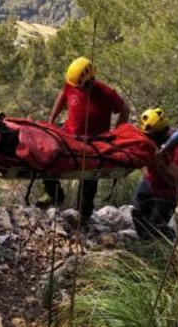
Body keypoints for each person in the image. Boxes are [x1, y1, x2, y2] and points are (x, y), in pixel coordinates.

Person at [39, 57, 129, 226]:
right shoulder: (72, 85)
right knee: (46, 155)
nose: (77, 89)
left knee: (89, 175)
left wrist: (116, 133)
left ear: (90, 81)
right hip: (69, 134)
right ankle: (55, 194)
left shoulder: (105, 93)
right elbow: (62, 95)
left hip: (94, 141)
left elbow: (124, 109)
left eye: (81, 86)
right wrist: (52, 119)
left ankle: (84, 213)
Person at [131, 108, 178, 240]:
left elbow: (174, 180)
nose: (147, 138)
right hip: (150, 181)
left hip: (168, 191)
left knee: (156, 226)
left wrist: (157, 162)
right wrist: (146, 166)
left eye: (150, 135)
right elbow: (143, 161)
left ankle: (168, 242)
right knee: (138, 213)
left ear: (160, 132)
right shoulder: (151, 139)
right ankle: (144, 242)